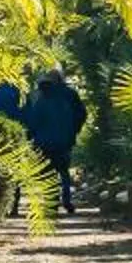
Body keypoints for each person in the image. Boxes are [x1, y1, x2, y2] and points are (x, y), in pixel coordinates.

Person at [22, 69, 86, 209]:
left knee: (48, 172)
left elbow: (33, 119)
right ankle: (67, 200)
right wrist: (73, 130)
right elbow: (81, 114)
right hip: (64, 140)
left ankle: (52, 201)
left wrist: (30, 137)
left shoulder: (38, 97)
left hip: (43, 141)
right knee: (64, 171)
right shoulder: (69, 95)